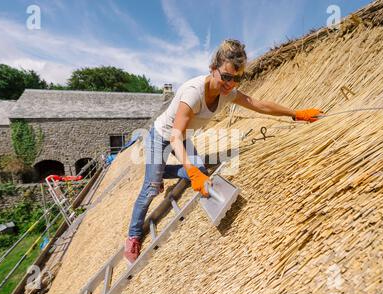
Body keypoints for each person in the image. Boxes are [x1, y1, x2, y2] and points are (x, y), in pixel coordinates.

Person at [124, 39, 323, 263]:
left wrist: (295, 113)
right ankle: (132, 235)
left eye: (236, 78)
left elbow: (258, 104)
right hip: (161, 136)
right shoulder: (193, 92)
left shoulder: (228, 93)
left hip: (182, 136)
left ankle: (158, 172)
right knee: (151, 189)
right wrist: (191, 172)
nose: (230, 84)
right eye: (226, 77)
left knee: (200, 171)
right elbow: (174, 136)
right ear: (213, 69)